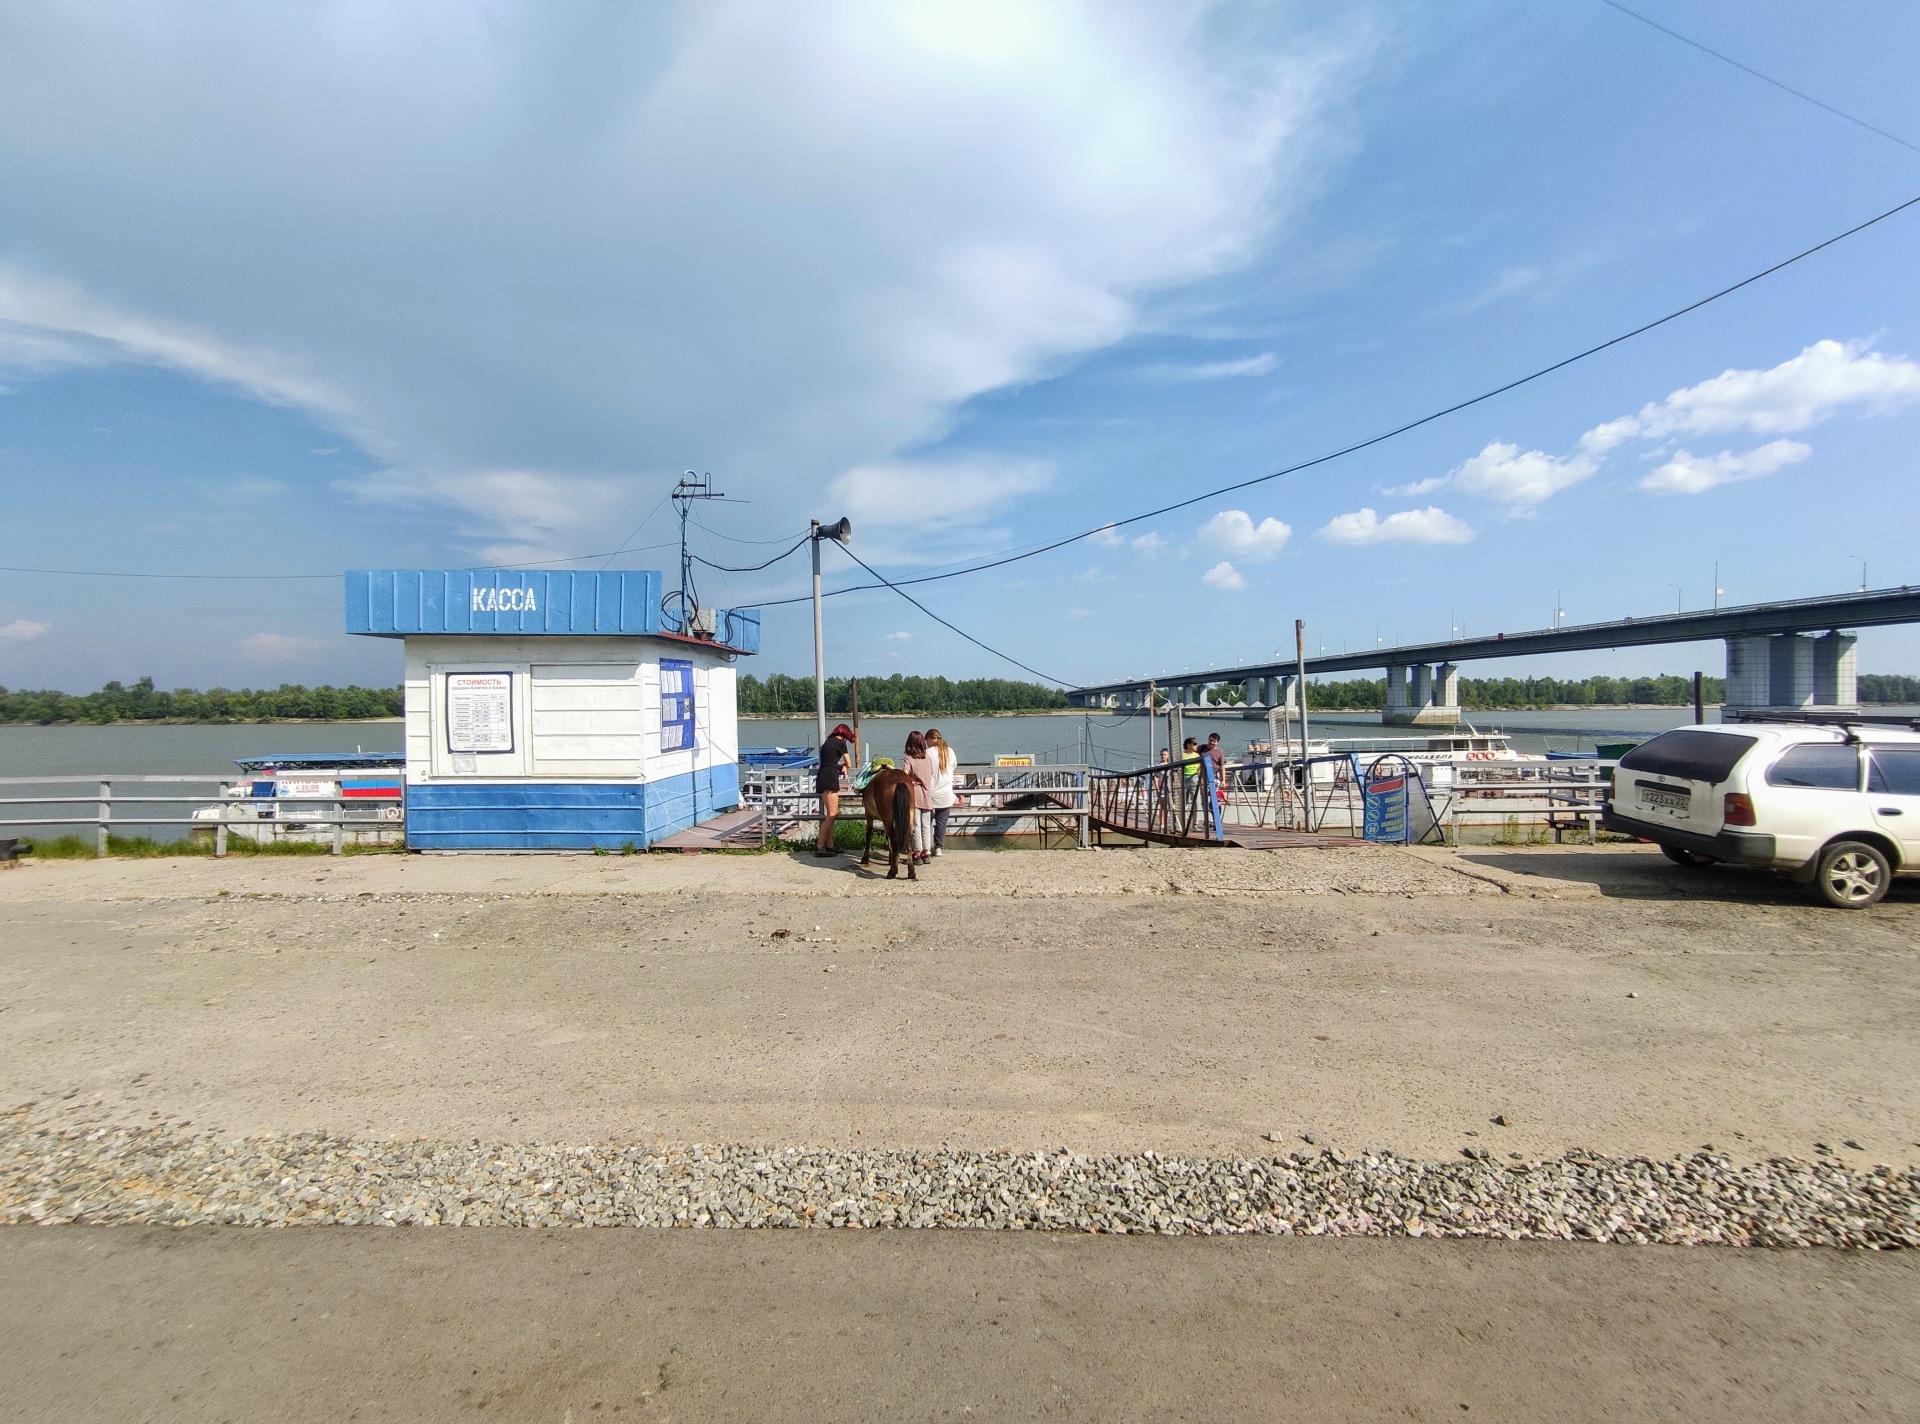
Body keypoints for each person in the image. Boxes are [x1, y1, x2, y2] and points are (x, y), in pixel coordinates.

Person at [814, 722, 855, 857]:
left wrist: (838, 766)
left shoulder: (827, 742)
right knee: (833, 813)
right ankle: (820, 847)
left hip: (822, 775)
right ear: (845, 734)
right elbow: (849, 763)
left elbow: (829, 762)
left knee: (831, 815)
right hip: (830, 777)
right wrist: (843, 766)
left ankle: (830, 845)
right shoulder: (840, 743)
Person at [902, 729, 936, 865]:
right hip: (926, 794)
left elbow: (904, 775)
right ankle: (926, 853)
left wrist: (911, 781)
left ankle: (917, 852)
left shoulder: (909, 758)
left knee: (915, 825)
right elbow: (931, 774)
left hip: (914, 795)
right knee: (926, 825)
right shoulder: (927, 758)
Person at [926, 728, 957, 856]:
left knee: (926, 822)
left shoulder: (927, 753)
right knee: (942, 821)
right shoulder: (950, 751)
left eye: (926, 740)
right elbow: (953, 766)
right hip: (946, 793)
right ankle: (938, 847)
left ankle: (926, 847)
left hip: (930, 792)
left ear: (930, 739)